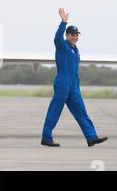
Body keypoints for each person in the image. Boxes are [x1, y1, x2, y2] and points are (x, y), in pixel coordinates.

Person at [41, 8, 108, 147]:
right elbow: (57, 37)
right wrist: (63, 22)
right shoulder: (62, 46)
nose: (75, 37)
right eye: (72, 34)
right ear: (67, 35)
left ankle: (91, 137)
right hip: (63, 82)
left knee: (81, 111)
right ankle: (46, 137)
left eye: (76, 35)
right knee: (55, 110)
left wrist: (76, 84)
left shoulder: (75, 50)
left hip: (74, 84)